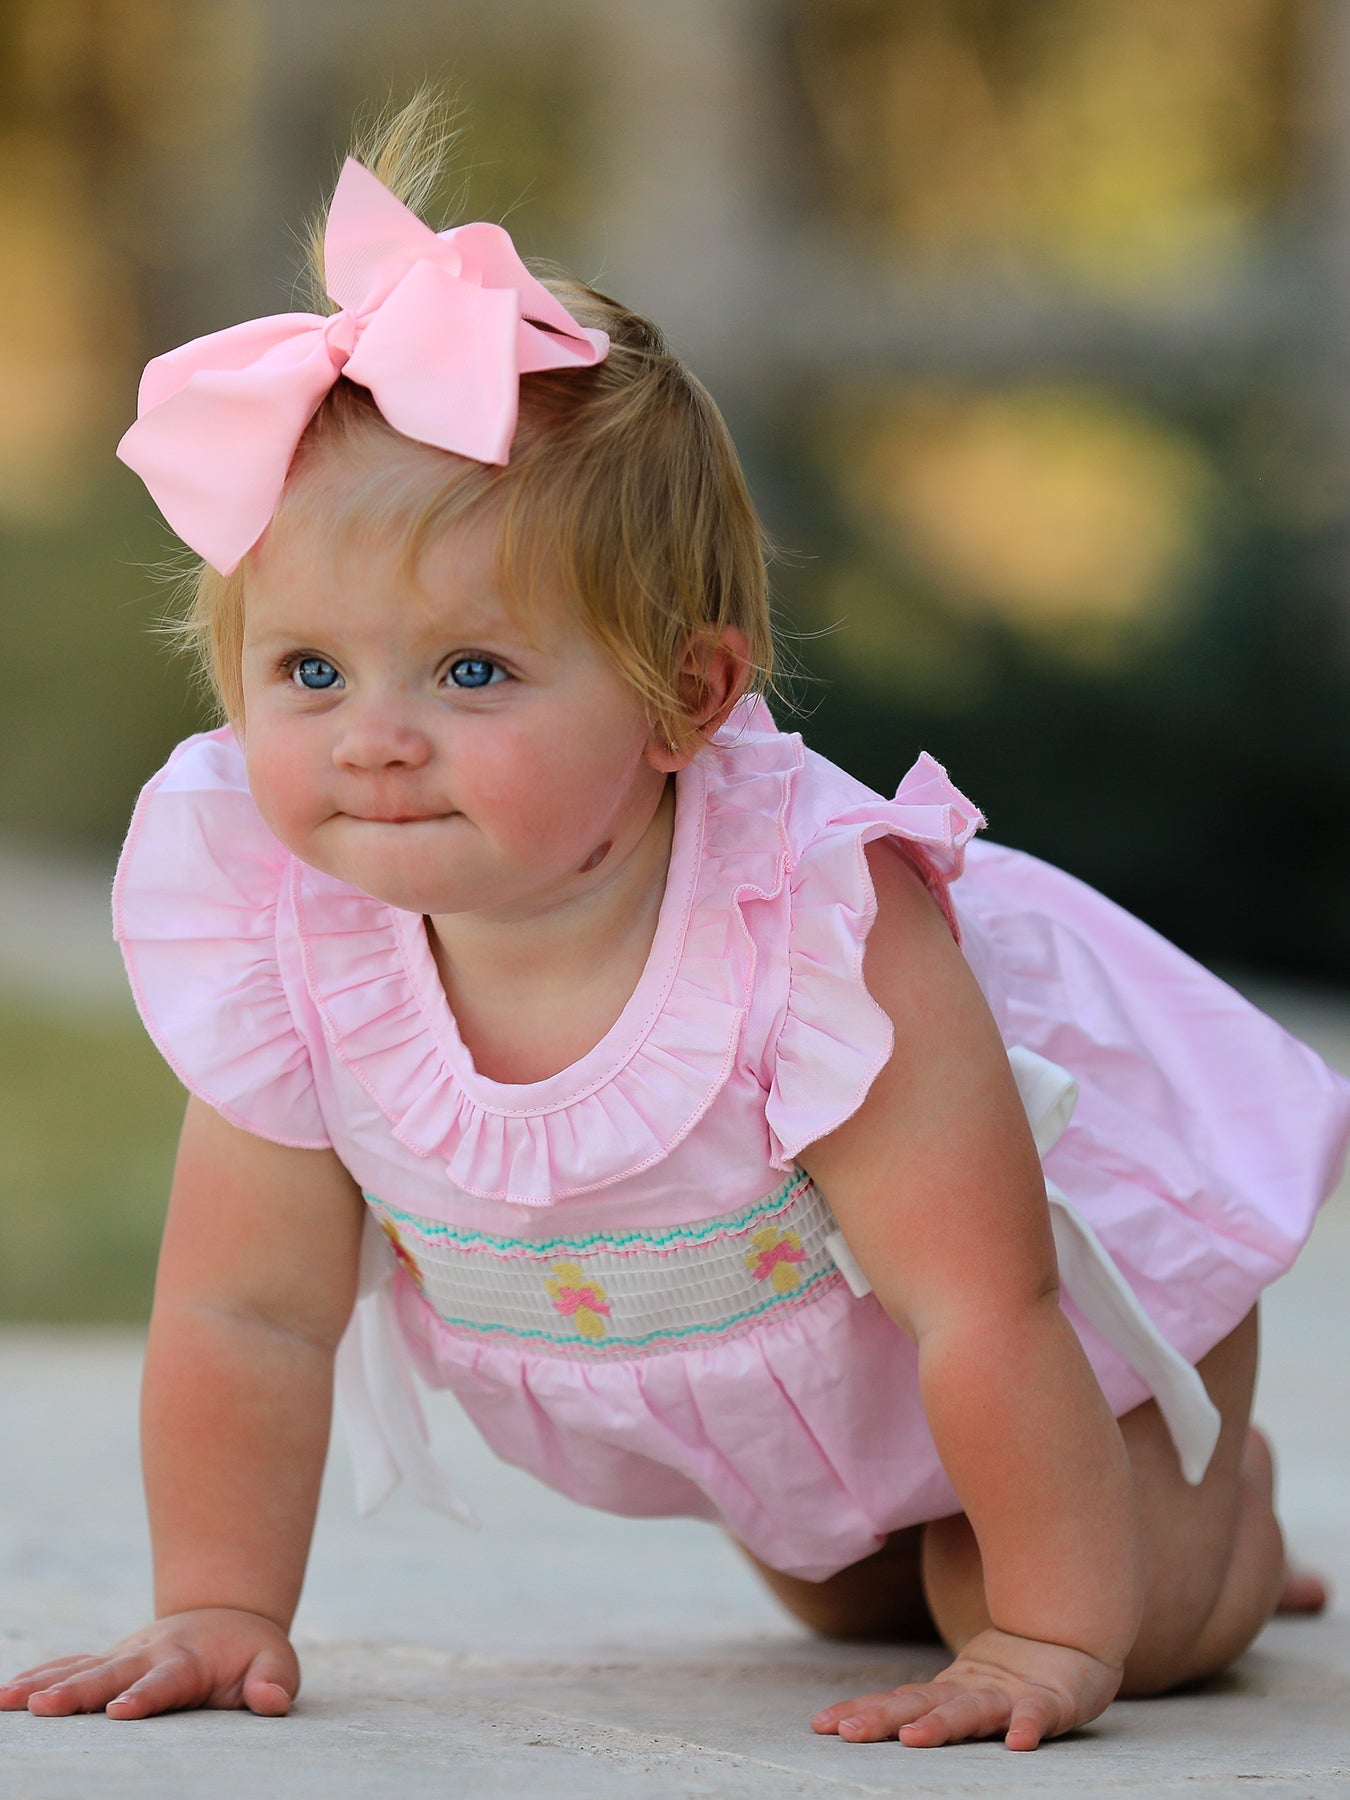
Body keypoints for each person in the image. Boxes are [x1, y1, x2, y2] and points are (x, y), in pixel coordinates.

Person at [4, 100, 1348, 1752]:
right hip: (817, 1407)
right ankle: (980, 1546)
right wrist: (217, 1606)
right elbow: (247, 1310)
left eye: (472, 671)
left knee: (1049, 1605)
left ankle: (1223, 1520)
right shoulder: (298, 934)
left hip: (1057, 1341)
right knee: (849, 1595)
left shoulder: (809, 929)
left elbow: (983, 1307)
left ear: (683, 699)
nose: (372, 735)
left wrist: (1048, 1640)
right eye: (308, 671)